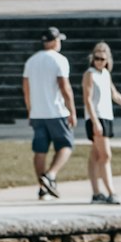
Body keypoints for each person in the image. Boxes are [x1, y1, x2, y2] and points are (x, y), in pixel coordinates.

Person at [81, 42, 121, 206]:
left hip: (106, 117)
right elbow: (87, 99)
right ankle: (111, 192)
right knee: (106, 155)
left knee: (95, 156)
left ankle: (96, 193)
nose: (99, 61)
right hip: (97, 118)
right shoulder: (90, 74)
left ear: (108, 59)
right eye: (96, 58)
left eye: (102, 58)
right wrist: (95, 121)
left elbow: (115, 95)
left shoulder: (105, 75)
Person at [22, 27, 76, 200]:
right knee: (66, 146)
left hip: (38, 113)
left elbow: (26, 88)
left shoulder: (31, 61)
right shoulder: (59, 60)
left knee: (40, 150)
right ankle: (50, 175)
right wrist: (72, 111)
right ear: (53, 41)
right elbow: (64, 87)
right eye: (58, 40)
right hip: (56, 111)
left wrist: (30, 110)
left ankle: (42, 188)